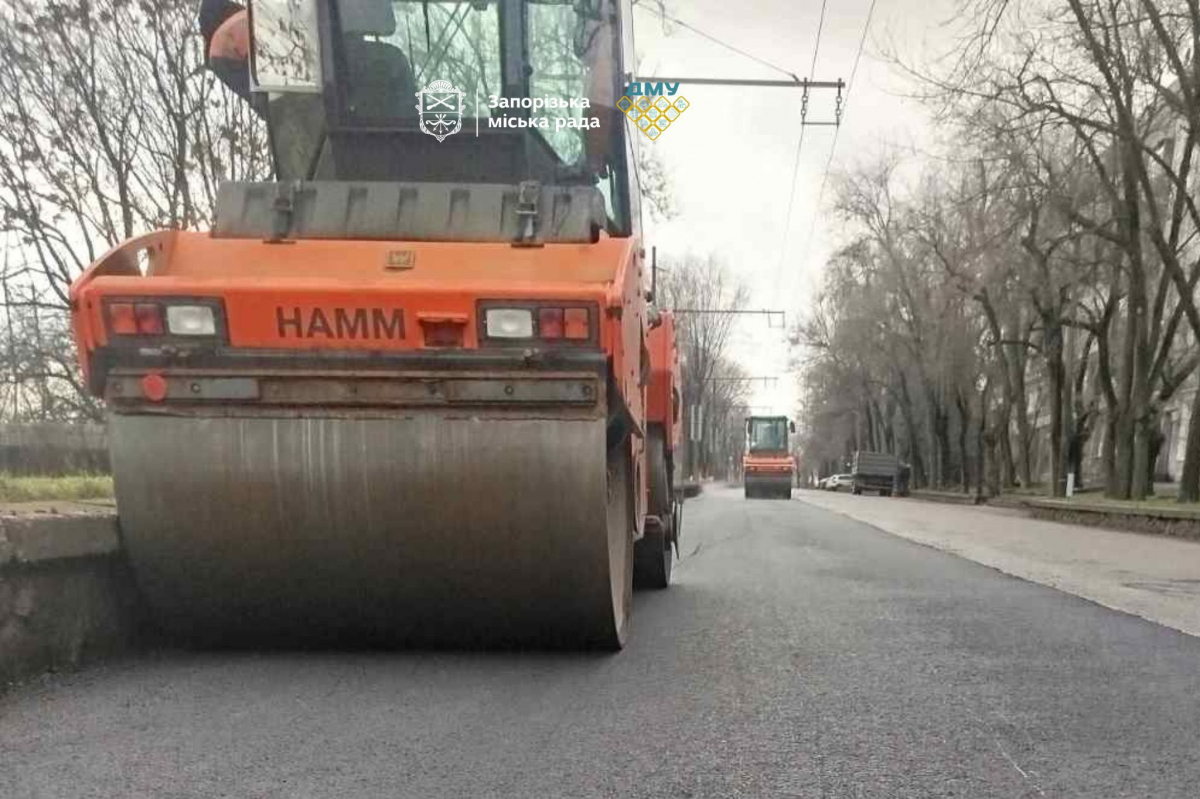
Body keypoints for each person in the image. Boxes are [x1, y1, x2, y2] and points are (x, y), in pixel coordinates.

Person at [199, 1, 253, 103]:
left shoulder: (216, 47)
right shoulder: (246, 16)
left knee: (259, 96)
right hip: (245, 23)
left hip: (219, 52)